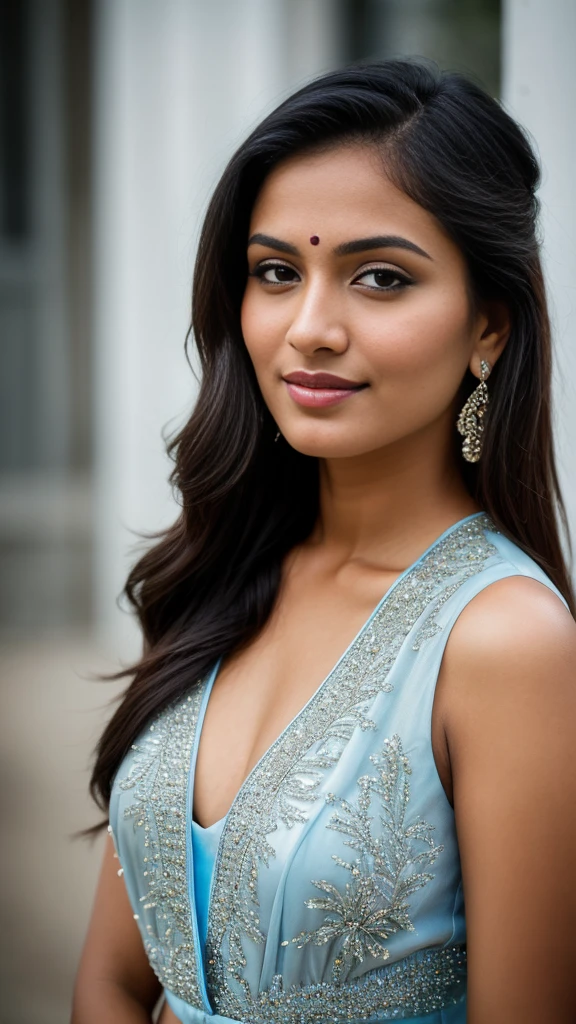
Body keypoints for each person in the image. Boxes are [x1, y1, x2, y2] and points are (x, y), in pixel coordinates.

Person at [72, 60, 576, 1024]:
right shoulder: (217, 570)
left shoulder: (503, 645)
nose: (309, 328)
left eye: (379, 278)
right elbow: (113, 979)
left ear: (489, 327)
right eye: (276, 272)